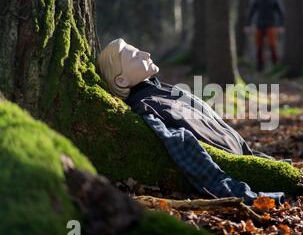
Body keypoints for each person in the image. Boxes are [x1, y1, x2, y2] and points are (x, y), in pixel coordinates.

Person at [96, 38, 285, 204]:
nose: (146, 53)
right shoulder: (146, 106)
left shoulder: (161, 90)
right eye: (135, 56)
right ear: (121, 81)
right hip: (229, 164)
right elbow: (184, 147)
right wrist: (245, 195)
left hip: (240, 154)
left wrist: (263, 160)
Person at [245, 0, 285, 72]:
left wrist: (281, 25)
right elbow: (251, 12)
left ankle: (275, 67)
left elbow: (281, 13)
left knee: (273, 46)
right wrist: (248, 25)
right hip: (259, 25)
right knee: (259, 47)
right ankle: (259, 68)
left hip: (271, 26)